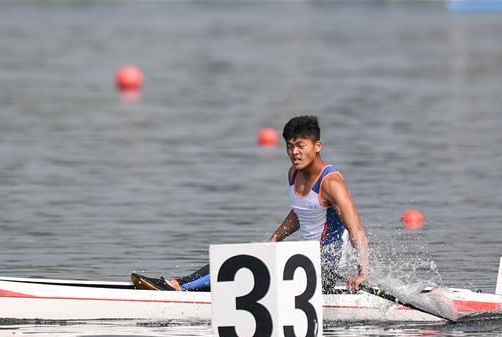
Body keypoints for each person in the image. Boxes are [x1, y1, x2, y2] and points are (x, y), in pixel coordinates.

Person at [132, 115, 369, 293]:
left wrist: (362, 273)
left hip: (322, 271)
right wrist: (276, 238)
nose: (294, 152)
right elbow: (302, 211)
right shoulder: (293, 174)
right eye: (289, 146)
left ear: (317, 146)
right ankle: (184, 284)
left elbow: (356, 229)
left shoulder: (332, 183)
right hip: (301, 260)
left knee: (244, 262)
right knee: (241, 256)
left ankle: (180, 289)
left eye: (301, 146)